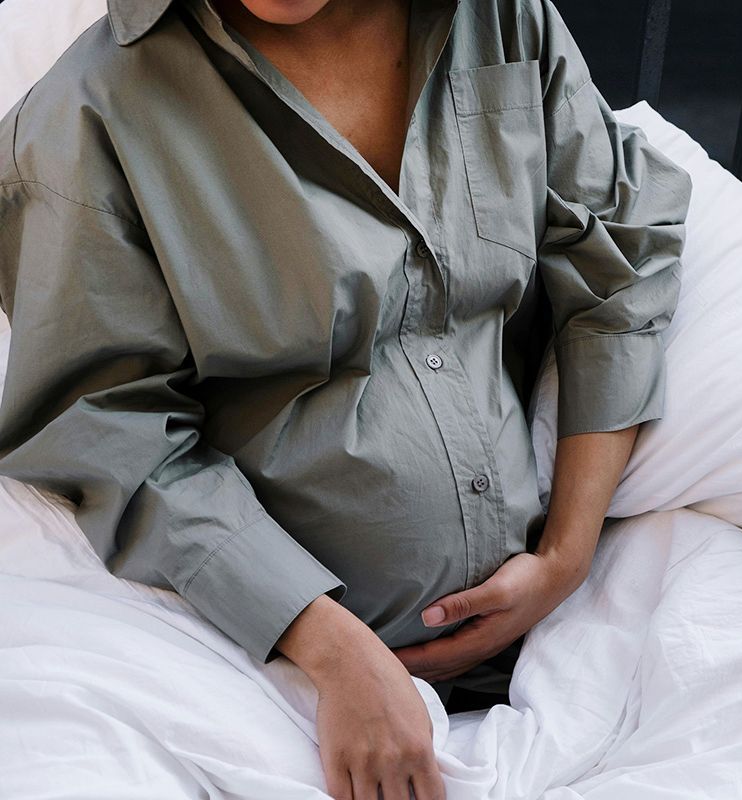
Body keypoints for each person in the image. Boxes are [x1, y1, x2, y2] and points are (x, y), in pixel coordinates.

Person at [0, 0, 692, 797]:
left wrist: (566, 558)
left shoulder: (503, 19)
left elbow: (617, 264)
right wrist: (333, 652)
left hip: (567, 630)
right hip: (264, 673)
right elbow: (112, 429)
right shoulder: (88, 116)